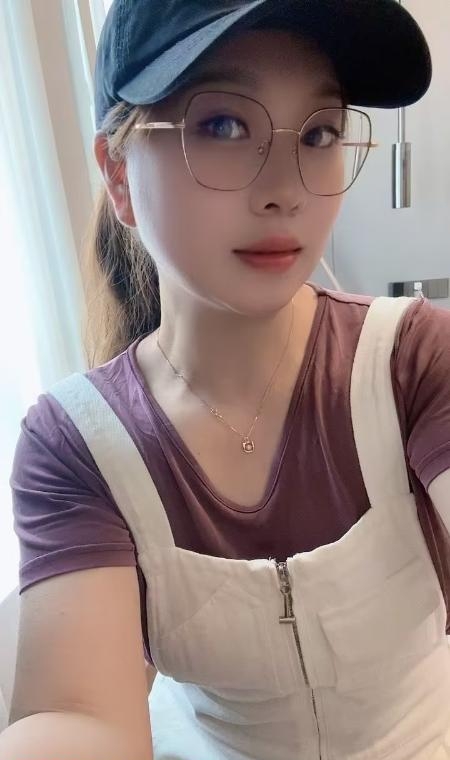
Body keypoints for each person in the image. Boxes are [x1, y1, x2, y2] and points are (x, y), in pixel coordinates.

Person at [3, 1, 450, 758]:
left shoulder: (413, 359)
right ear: (118, 174)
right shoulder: (77, 447)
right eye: (222, 125)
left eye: (320, 133)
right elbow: (79, 714)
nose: (287, 189)